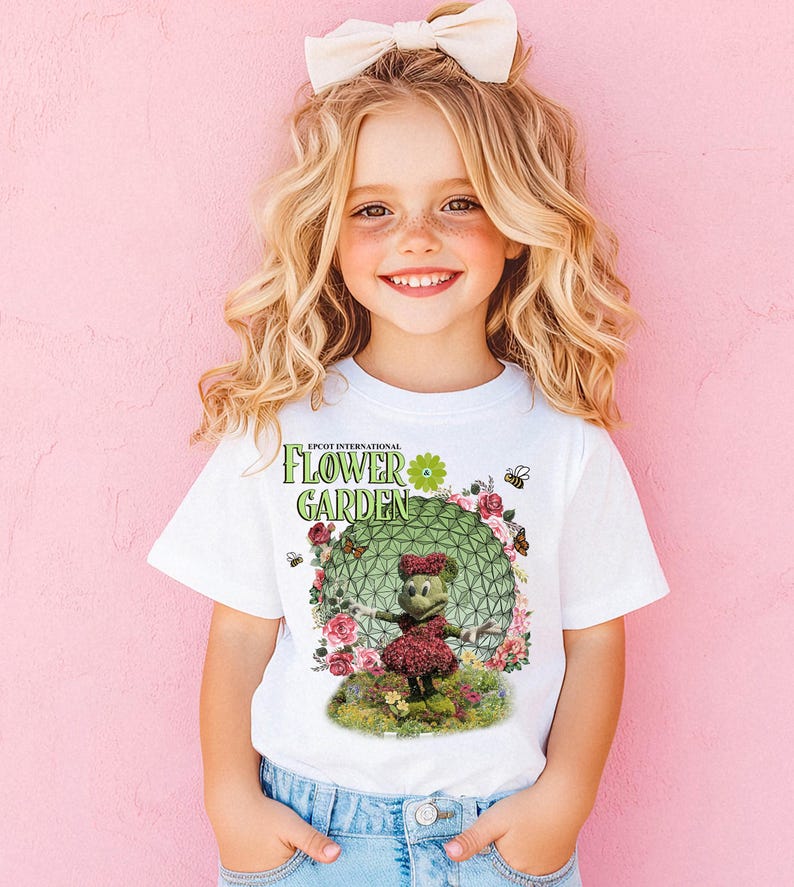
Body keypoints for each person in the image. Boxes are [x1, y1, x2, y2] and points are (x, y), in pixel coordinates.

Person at [146, 1, 670, 884]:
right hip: (314, 841)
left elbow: (597, 640)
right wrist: (228, 799)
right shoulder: (281, 427)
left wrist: (564, 800)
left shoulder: (564, 442)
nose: (415, 237)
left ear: (512, 223)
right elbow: (238, 637)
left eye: (457, 201)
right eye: (374, 208)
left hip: (497, 845)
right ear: (328, 232)